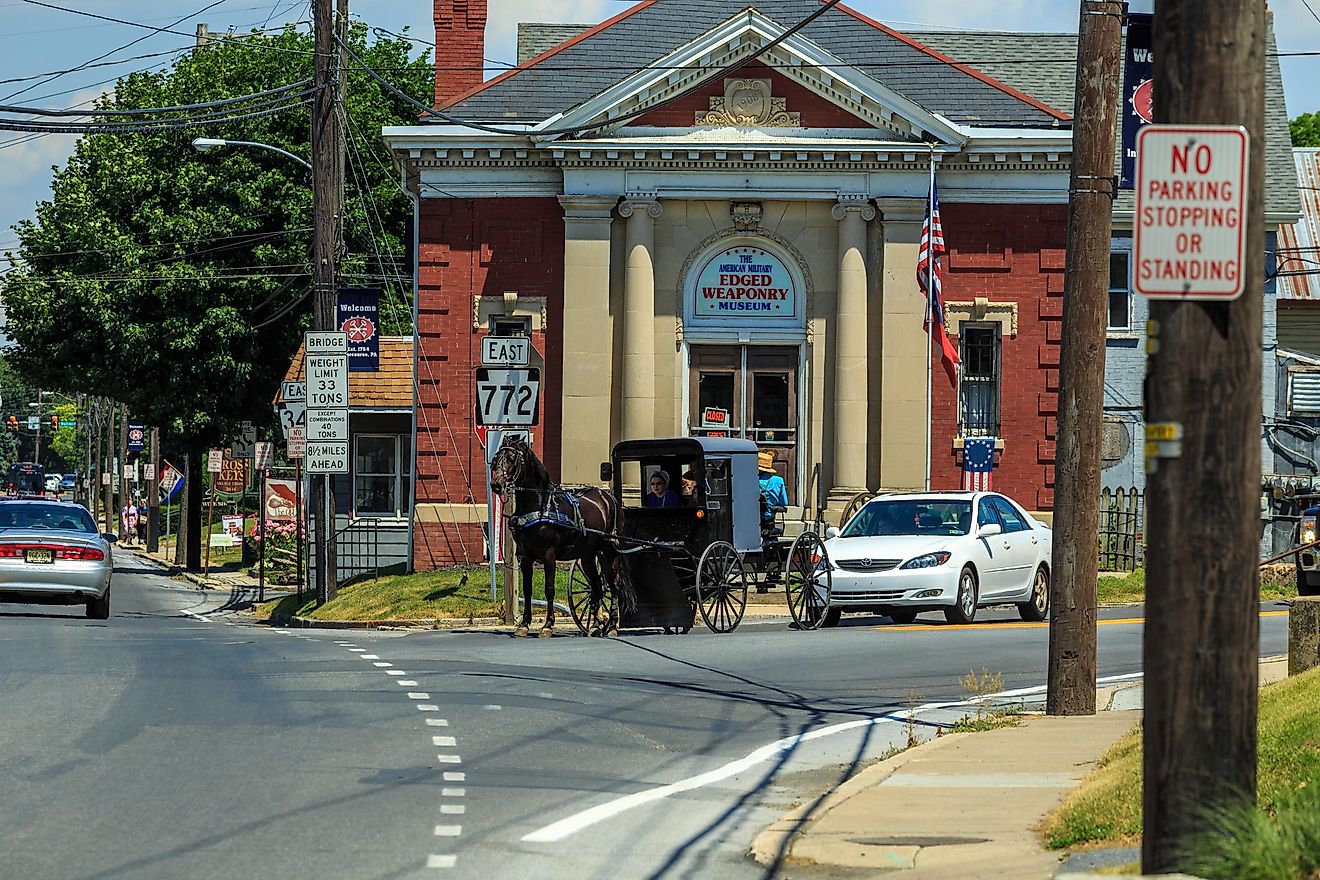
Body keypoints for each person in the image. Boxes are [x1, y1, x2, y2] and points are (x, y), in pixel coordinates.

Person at [757, 450, 788, 523]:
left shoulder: (750, 480)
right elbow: (784, 502)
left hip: (753, 516)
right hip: (770, 517)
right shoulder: (778, 480)